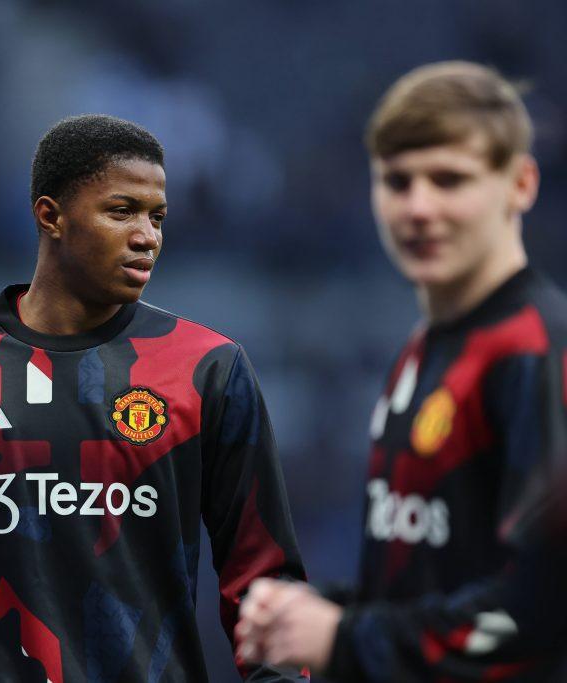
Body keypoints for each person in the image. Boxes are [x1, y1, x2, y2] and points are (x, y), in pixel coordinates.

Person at [0, 114, 307, 682]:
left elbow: (264, 581)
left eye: (157, 216)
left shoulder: (209, 369)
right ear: (51, 216)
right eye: (122, 211)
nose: (148, 236)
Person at [235, 61, 567, 681]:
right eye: (397, 181)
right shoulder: (424, 348)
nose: (418, 207)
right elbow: (433, 583)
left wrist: (346, 638)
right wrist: (316, 612)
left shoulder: (538, 351)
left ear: (520, 184)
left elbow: (542, 610)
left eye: (449, 180)